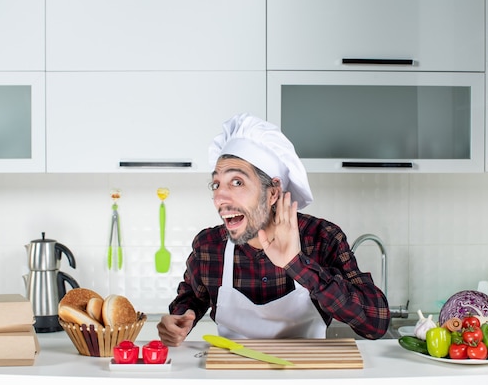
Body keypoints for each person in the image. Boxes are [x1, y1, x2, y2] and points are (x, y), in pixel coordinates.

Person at [157, 113, 390, 346]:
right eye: (216, 184)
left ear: (273, 193)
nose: (219, 197)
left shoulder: (321, 239)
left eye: (237, 182)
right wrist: (182, 317)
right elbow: (193, 297)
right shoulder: (209, 246)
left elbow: (376, 324)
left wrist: (297, 263)